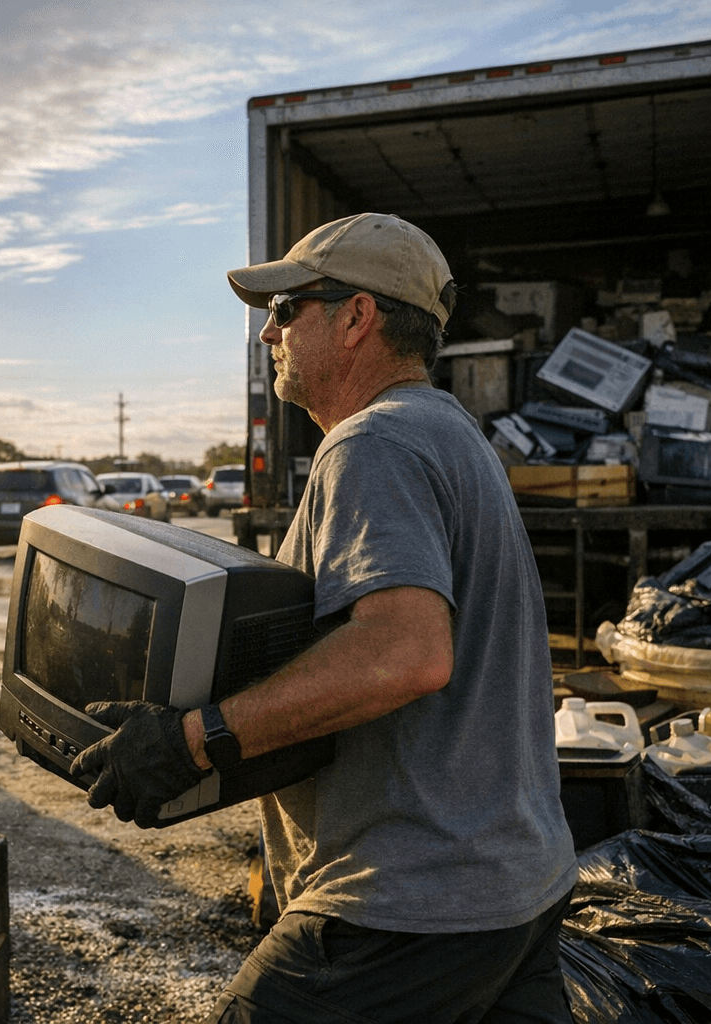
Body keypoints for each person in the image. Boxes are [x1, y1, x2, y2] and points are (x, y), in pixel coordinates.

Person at [71, 213, 577, 1023]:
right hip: (517, 891)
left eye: (287, 309)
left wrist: (192, 741)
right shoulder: (456, 436)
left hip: (402, 907)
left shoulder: (371, 444)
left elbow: (405, 654)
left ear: (355, 318)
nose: (268, 330)